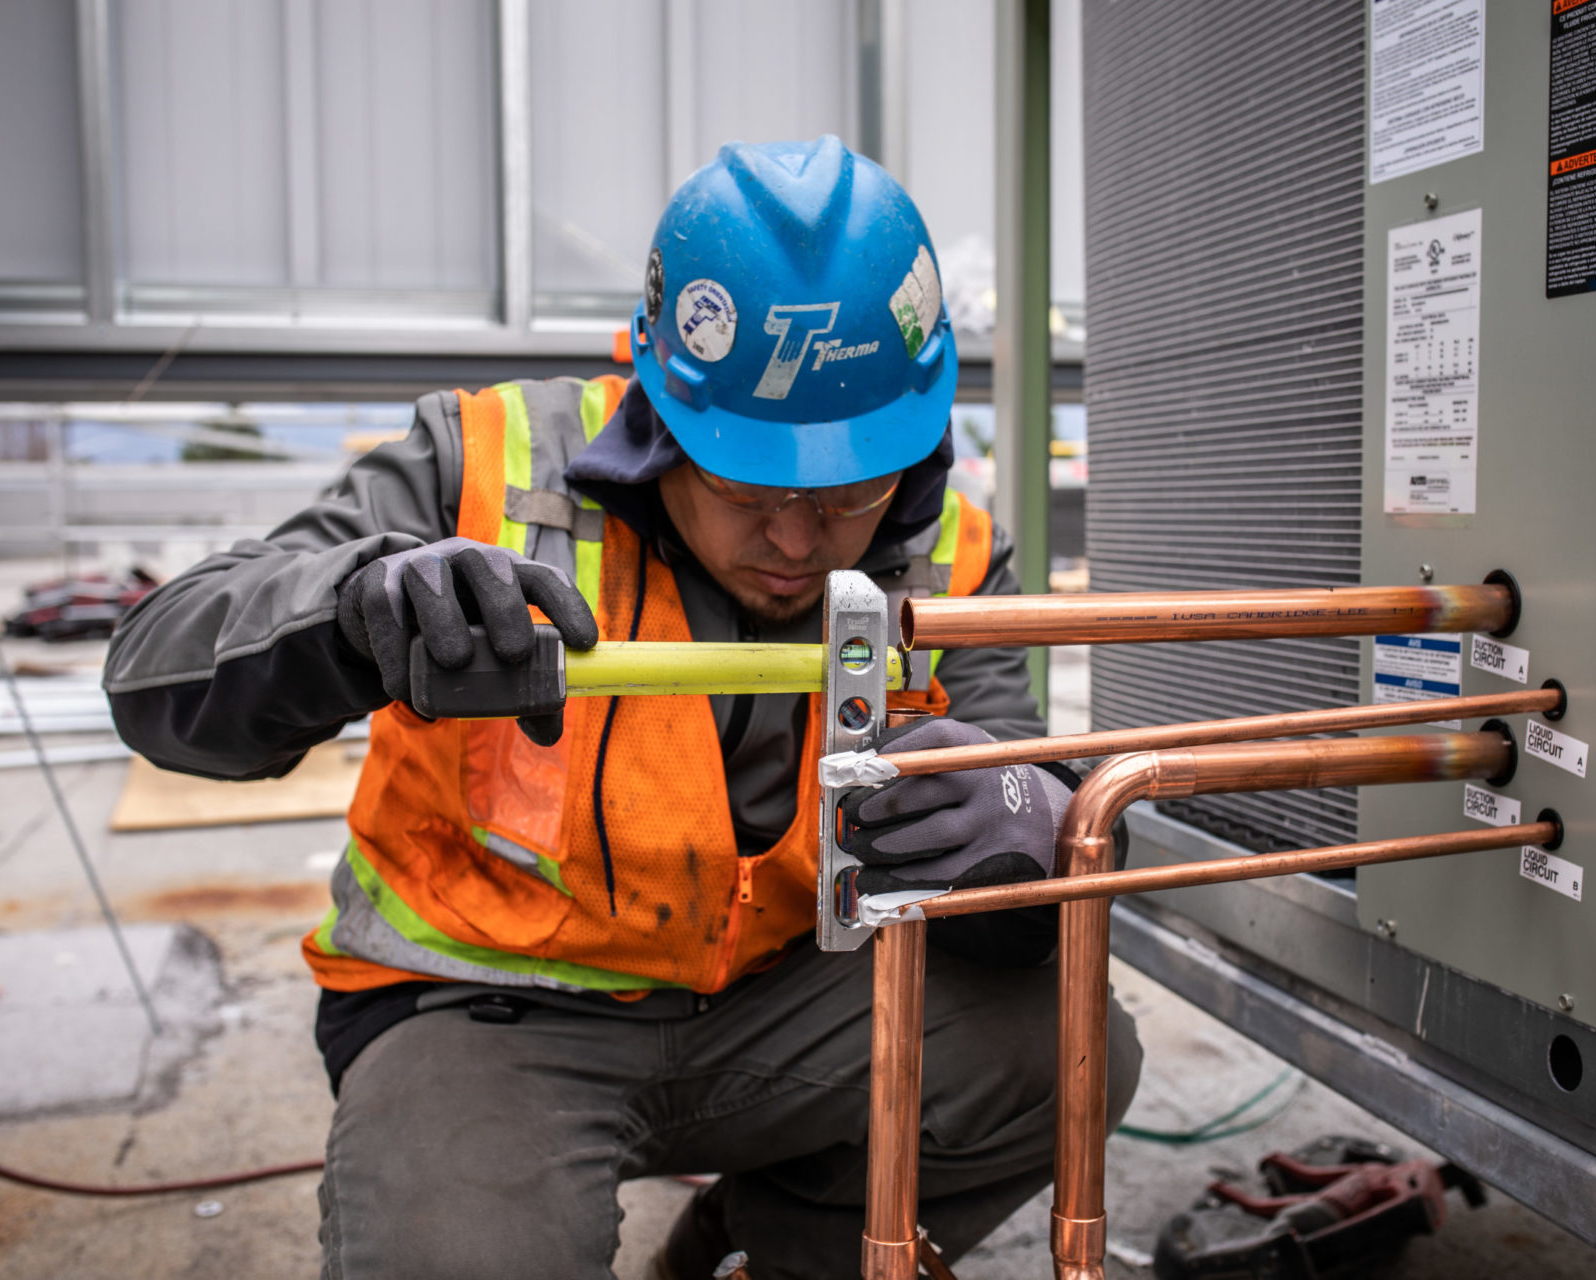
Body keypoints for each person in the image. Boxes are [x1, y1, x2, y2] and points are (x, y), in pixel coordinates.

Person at [104, 136, 1140, 1280]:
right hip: (489, 1013)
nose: (796, 543)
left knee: (1072, 1045)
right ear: (660, 412)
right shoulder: (480, 463)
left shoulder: (947, 546)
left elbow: (1042, 803)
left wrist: (1037, 835)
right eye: (747, 489)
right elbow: (158, 678)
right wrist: (347, 614)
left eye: (847, 494)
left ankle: (774, 1247)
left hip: (784, 999)